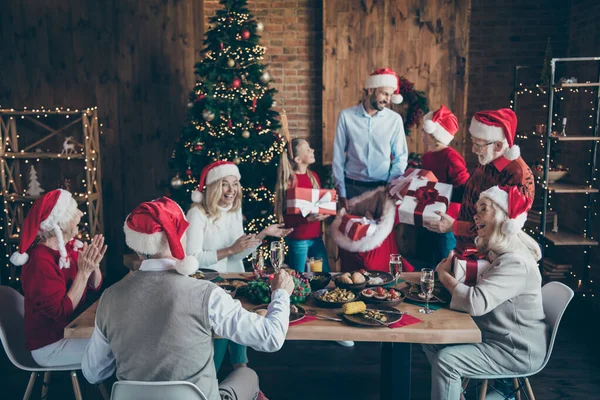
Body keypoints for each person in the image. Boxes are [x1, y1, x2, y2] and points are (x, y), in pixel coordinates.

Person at [82, 197, 295, 400]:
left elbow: (93, 373)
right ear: (179, 237)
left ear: (138, 248)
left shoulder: (109, 297)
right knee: (247, 375)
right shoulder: (207, 294)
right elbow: (272, 338)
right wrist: (281, 293)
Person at [423, 185, 547, 400]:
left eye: (483, 210)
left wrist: (444, 275)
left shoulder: (515, 262)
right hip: (495, 336)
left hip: (515, 350)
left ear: (502, 218)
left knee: (447, 361)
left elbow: (475, 303)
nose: (475, 215)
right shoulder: (501, 253)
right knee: (429, 339)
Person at [185, 161, 292, 379]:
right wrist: (230, 249)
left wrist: (262, 235)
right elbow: (193, 259)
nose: (232, 190)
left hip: (234, 279)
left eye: (235, 184)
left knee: (239, 316)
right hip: (208, 282)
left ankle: (241, 373)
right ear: (214, 187)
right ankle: (211, 380)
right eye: (225, 184)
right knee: (223, 330)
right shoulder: (196, 214)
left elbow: (238, 253)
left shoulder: (233, 210)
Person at [10, 189, 106, 367]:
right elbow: (61, 313)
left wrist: (94, 265)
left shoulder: (68, 248)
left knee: (118, 340)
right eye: (74, 211)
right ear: (60, 224)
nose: (80, 214)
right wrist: (83, 273)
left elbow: (94, 285)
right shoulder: (39, 262)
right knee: (118, 348)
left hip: (72, 332)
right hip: (50, 345)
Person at [424, 108, 535, 254]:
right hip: (464, 246)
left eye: (478, 145)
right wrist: (429, 190)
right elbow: (468, 193)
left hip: (488, 254)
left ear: (498, 146)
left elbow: (498, 226)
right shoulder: (487, 160)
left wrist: (455, 226)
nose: (473, 150)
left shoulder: (516, 174)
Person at [332, 67, 408, 209]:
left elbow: (401, 157)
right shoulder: (346, 116)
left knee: (380, 231)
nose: (388, 100)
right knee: (351, 230)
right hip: (351, 189)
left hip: (381, 190)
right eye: (384, 94)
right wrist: (341, 192)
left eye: (390, 95)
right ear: (371, 90)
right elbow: (338, 157)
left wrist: (390, 186)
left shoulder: (394, 120)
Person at [418, 105, 470, 265]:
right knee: (427, 259)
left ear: (432, 133)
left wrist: (440, 195)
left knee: (444, 260)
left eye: (424, 129)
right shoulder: (427, 157)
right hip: (426, 216)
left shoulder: (451, 157)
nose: (421, 131)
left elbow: (464, 190)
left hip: (446, 218)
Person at [276, 138, 330, 272]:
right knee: (298, 276)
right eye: (307, 149)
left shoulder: (314, 177)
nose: (312, 150)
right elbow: (286, 218)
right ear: (298, 159)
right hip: (298, 239)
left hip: (316, 237)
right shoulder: (290, 181)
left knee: (322, 275)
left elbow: (318, 204)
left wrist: (325, 211)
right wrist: (306, 219)